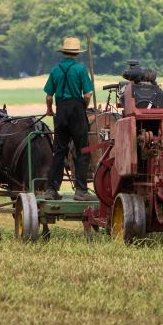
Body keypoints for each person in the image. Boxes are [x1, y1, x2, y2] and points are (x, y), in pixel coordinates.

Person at [43, 36, 96, 201]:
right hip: (77, 110)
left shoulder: (55, 70)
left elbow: (49, 96)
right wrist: (83, 107)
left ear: (64, 52)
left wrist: (50, 110)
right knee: (81, 150)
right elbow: (88, 94)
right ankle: (81, 191)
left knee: (59, 151)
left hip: (61, 110)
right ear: (76, 54)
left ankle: (52, 189)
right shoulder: (80, 70)